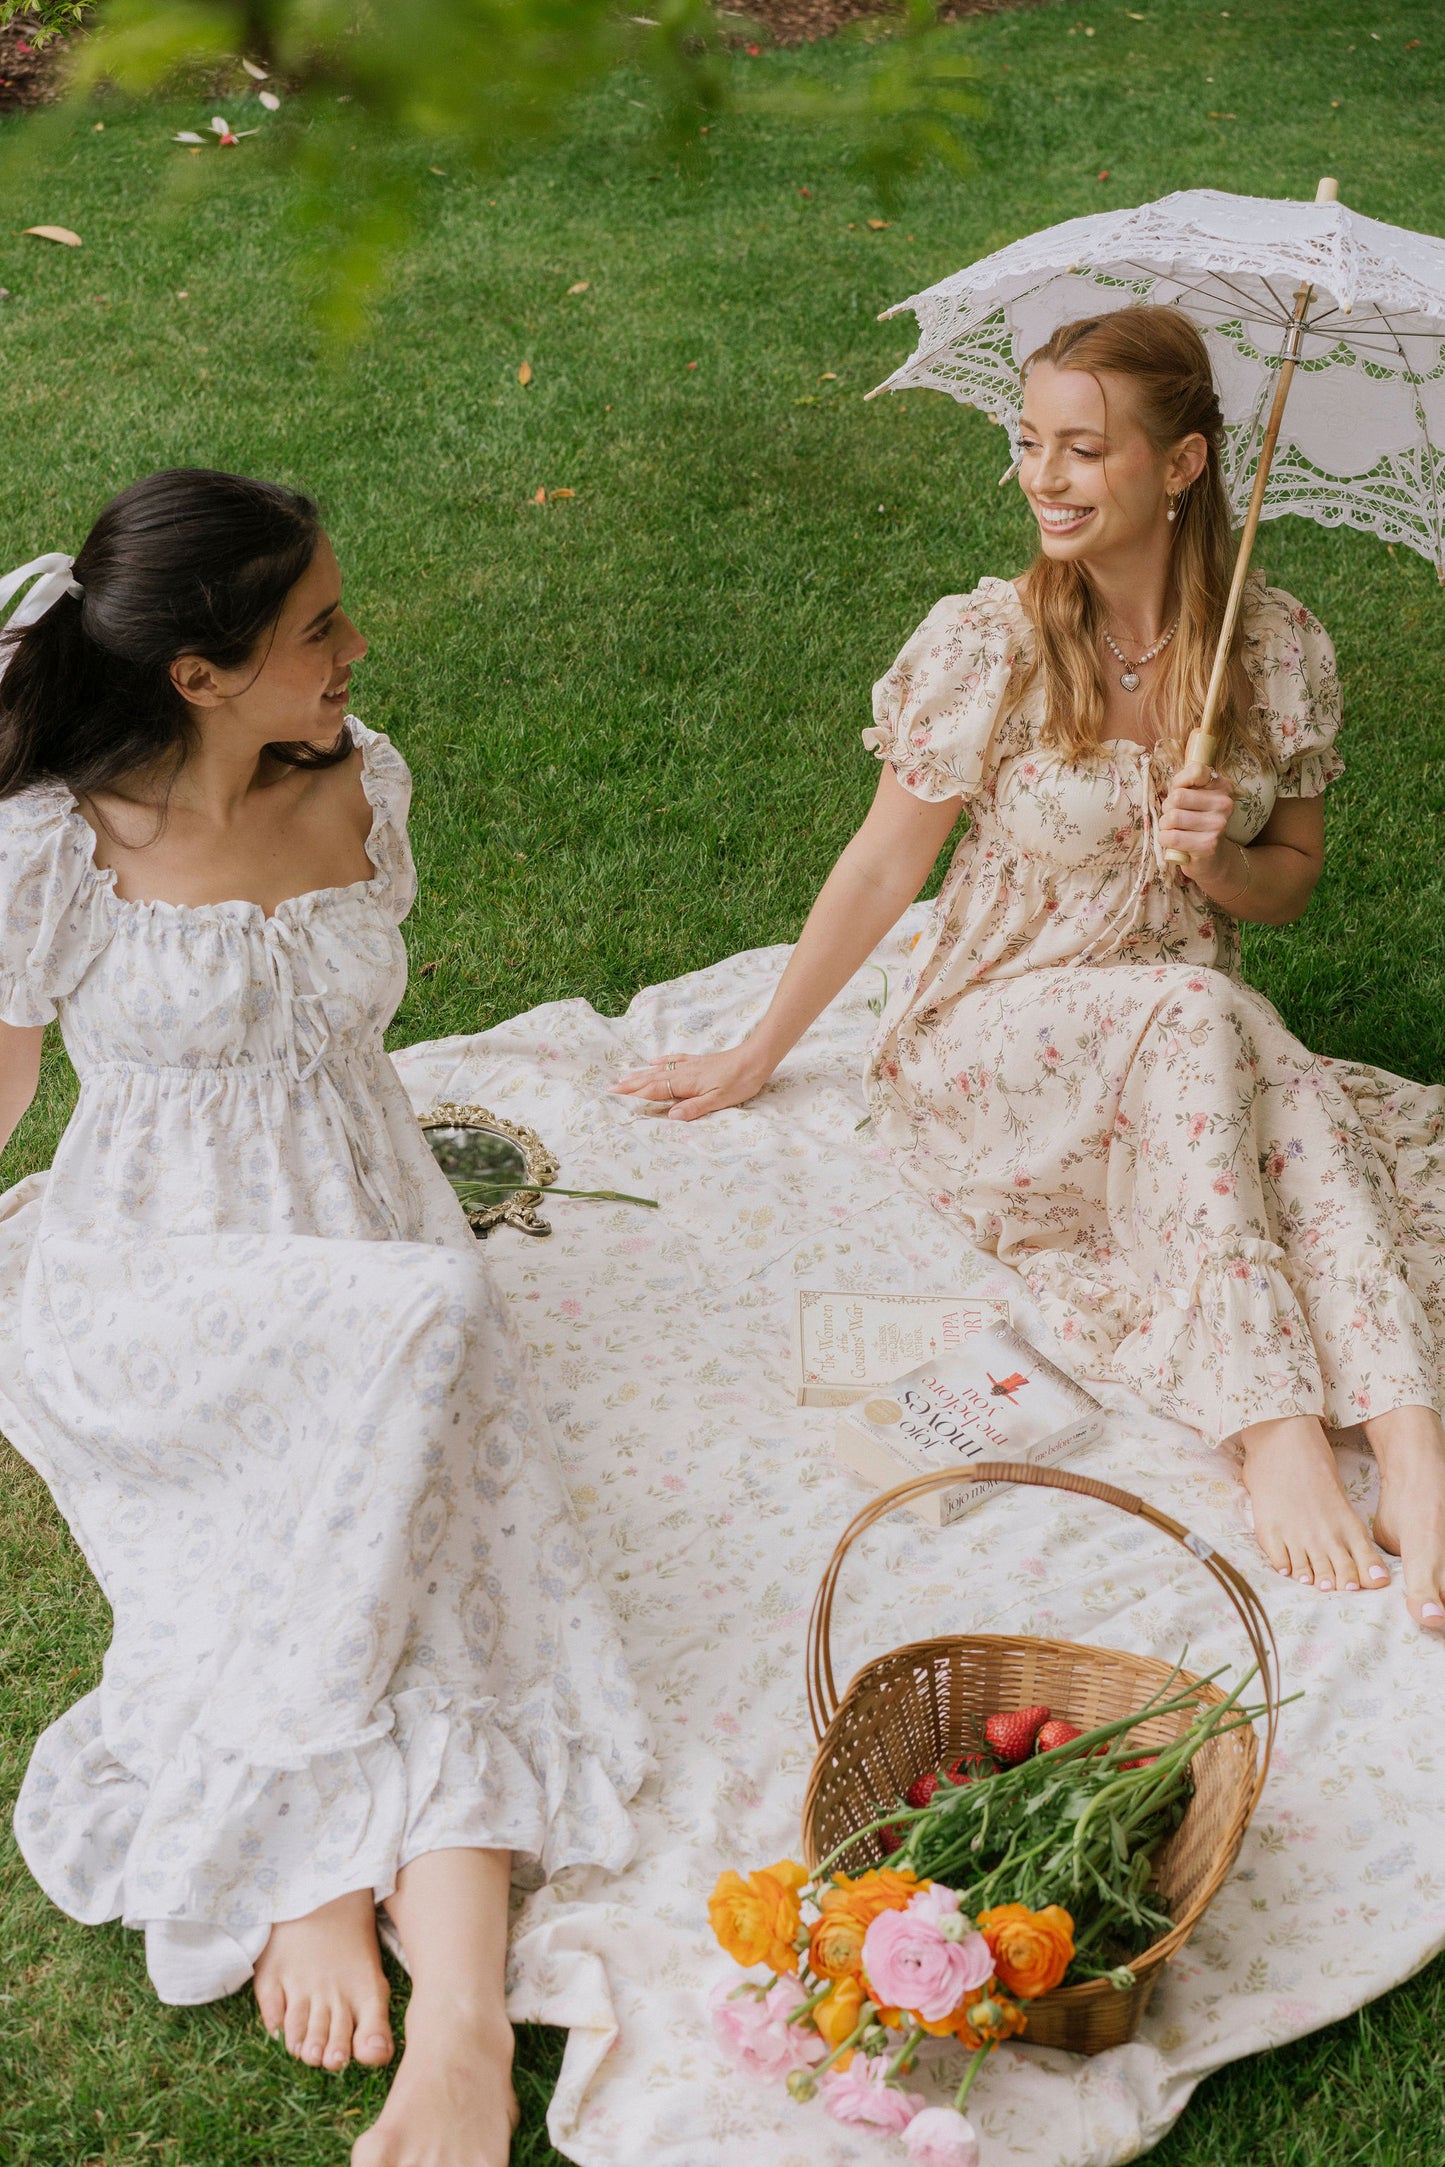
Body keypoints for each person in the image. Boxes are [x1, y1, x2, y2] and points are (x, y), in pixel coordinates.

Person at [614, 305, 1445, 1637]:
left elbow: (1288, 877)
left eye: (1083, 450)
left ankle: (1411, 1447)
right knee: (1211, 1017)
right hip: (993, 1046)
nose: (1041, 478)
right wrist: (757, 1051)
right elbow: (884, 868)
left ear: (1181, 465)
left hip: (1185, 1049)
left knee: (1285, 1089)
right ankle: (1272, 1421)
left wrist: (1220, 862)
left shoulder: (1272, 646)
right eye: (1029, 442)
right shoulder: (989, 643)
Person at [0, 471, 649, 2167]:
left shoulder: (368, 779)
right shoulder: (57, 841)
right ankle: (342, 1894)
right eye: (318, 628)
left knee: (445, 1554)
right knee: (428, 1329)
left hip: (365, 1215)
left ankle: (449, 2010)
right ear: (198, 676)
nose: (357, 647)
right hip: (161, 1273)